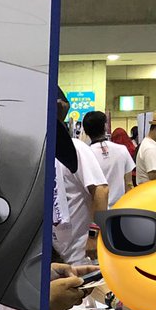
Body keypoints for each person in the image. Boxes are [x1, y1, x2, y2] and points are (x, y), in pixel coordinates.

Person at [53, 89, 108, 267]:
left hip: (77, 253)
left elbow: (101, 189)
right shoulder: (39, 151)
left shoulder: (75, 148)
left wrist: (94, 234)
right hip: (50, 255)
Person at [82, 111, 135, 206]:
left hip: (96, 210)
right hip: (120, 208)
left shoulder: (85, 155)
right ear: (105, 127)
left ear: (85, 131)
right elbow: (129, 184)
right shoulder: (122, 150)